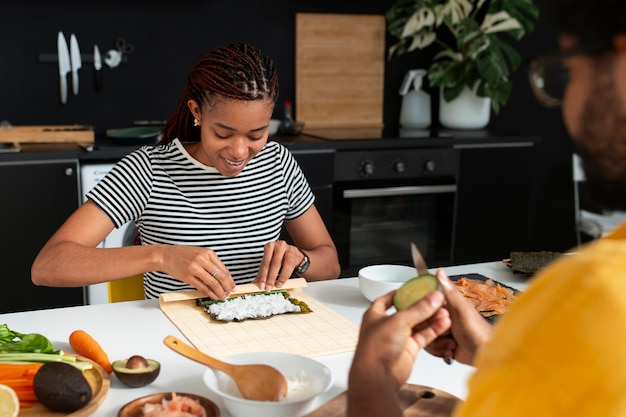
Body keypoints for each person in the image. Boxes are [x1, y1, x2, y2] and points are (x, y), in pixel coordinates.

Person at [348, 0, 626, 415]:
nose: (567, 106)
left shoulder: (597, 292)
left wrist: (370, 375)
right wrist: (496, 352)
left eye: (571, 71)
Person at [32, 43, 340, 300]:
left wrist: (302, 261)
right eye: (223, 133)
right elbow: (48, 265)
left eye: (256, 135)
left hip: (261, 331)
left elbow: (331, 265)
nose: (239, 151)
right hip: (176, 339)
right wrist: (162, 257)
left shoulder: (279, 164)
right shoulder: (148, 170)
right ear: (197, 113)